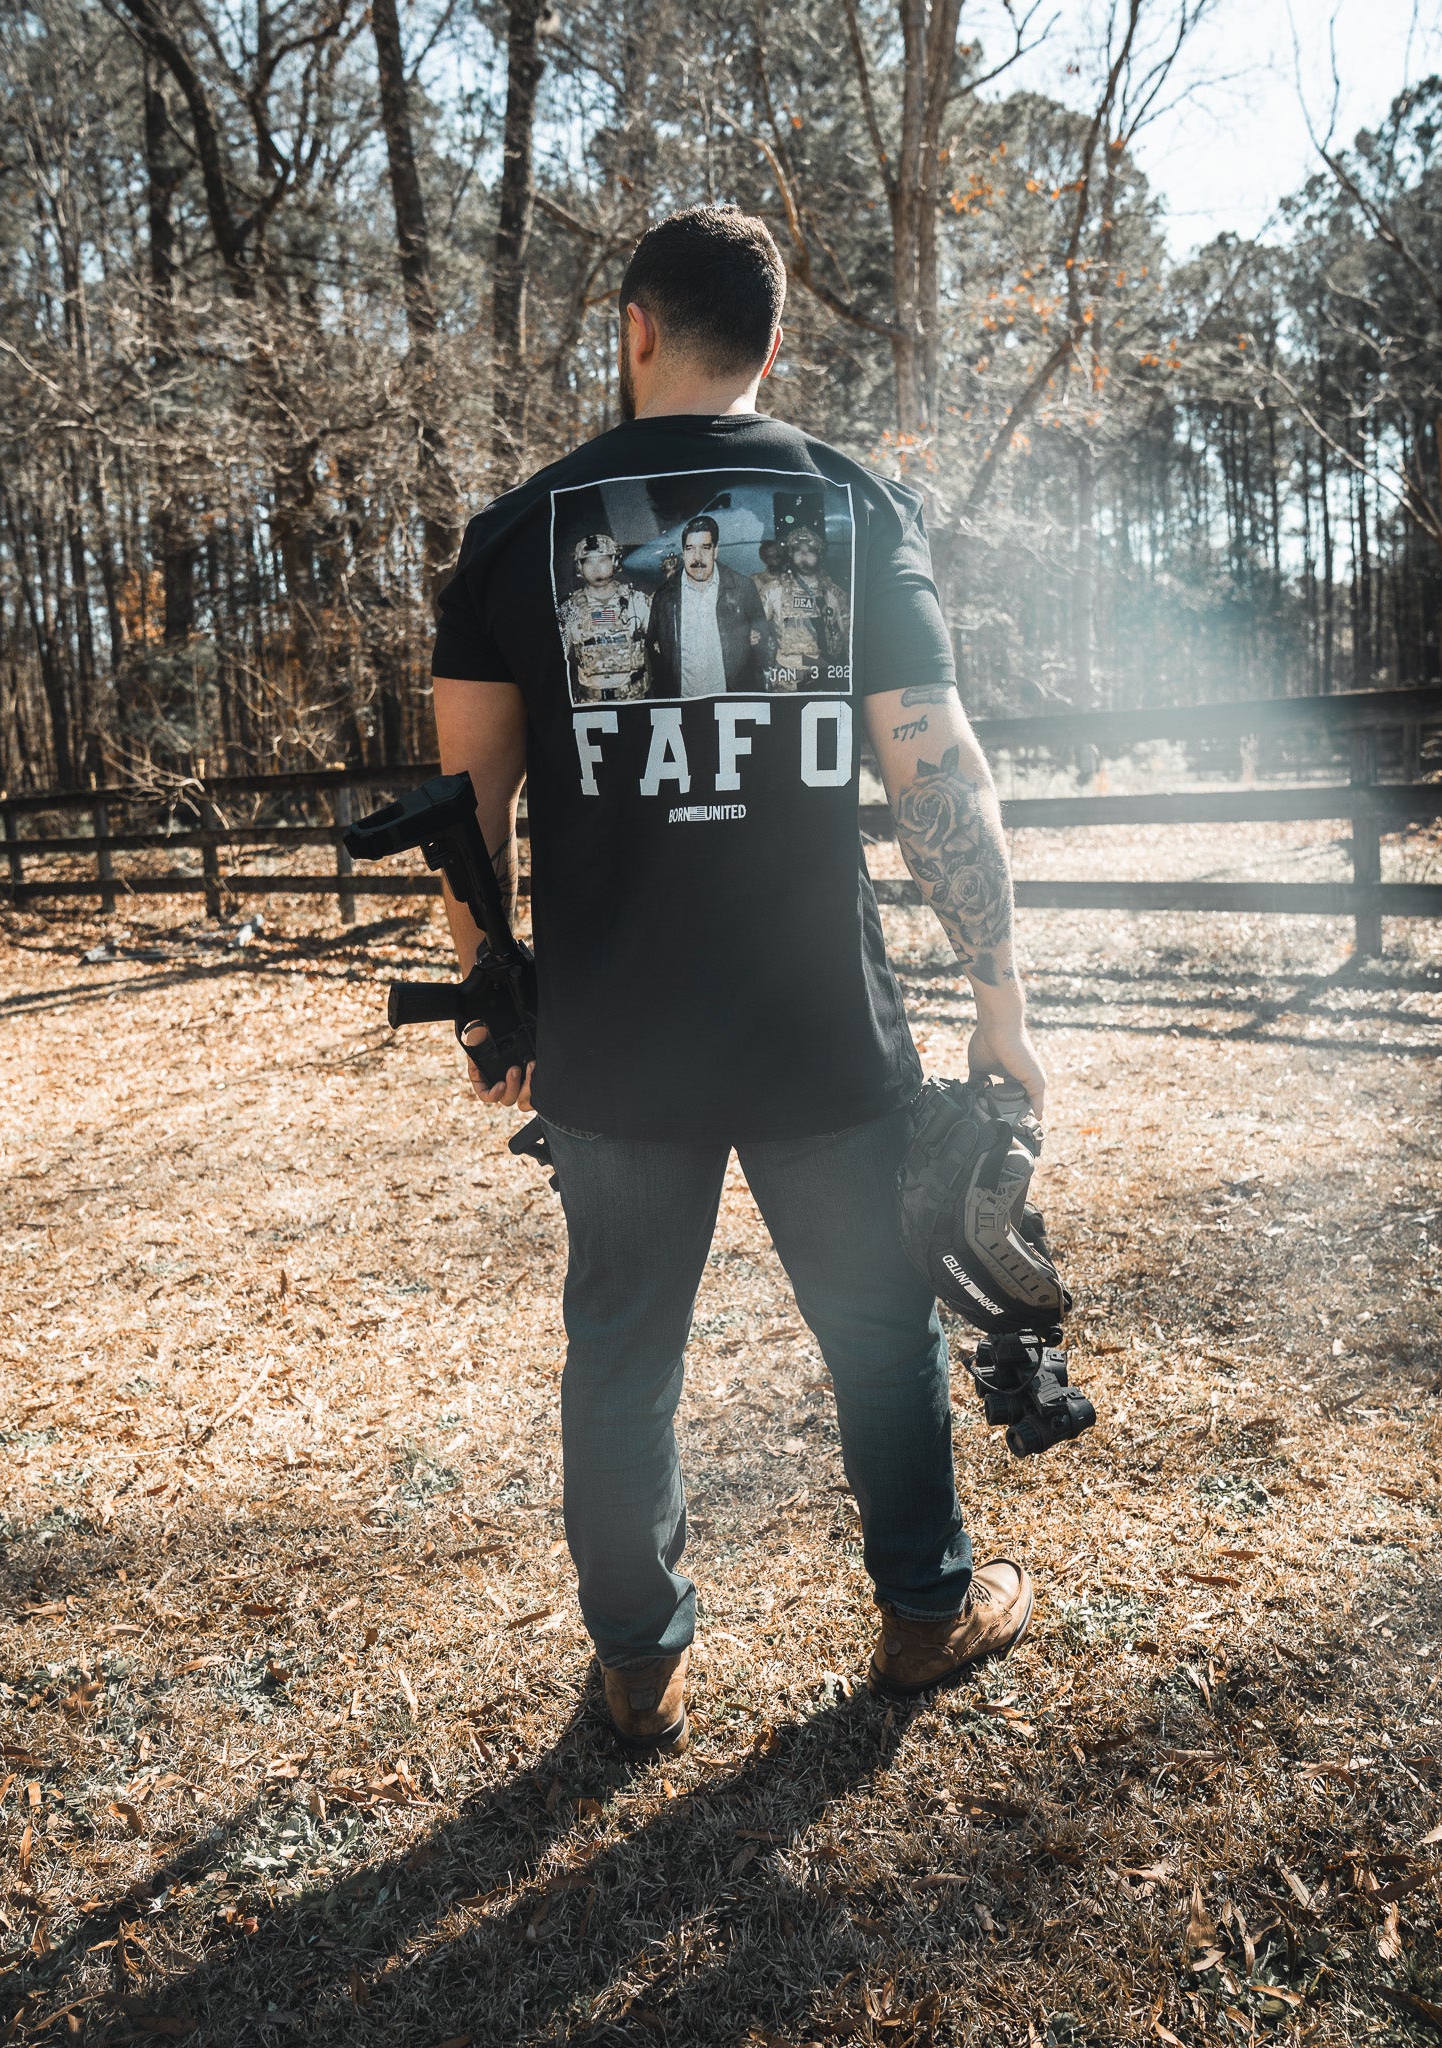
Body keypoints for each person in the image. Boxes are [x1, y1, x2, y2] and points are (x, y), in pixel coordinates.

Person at [431, 205, 1046, 1754]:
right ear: (772, 349)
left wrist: (497, 1002)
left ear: (631, 331)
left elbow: (463, 814)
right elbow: (938, 775)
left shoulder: (511, 537)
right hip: (814, 1024)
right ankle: (924, 1614)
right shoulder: (852, 507)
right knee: (875, 1325)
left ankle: (639, 1665)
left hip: (613, 1040)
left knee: (622, 1349)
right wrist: (1000, 998)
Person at [644, 513, 773, 696]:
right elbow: (653, 652)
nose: (697, 557)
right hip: (683, 703)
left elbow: (762, 642)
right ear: (683, 552)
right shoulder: (665, 597)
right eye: (690, 549)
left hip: (729, 702)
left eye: (705, 548)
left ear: (716, 550)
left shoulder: (742, 588)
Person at [557, 533, 650, 701]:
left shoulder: (638, 601)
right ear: (579, 566)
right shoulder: (569, 609)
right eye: (589, 562)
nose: (596, 567)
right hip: (592, 705)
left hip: (634, 700)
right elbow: (557, 659)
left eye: (603, 560)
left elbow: (659, 647)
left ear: (614, 562)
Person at [757, 523, 850, 691]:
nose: (804, 555)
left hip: (823, 676)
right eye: (798, 550)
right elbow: (756, 632)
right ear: (790, 554)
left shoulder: (834, 594)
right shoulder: (774, 590)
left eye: (810, 550)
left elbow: (849, 637)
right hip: (785, 679)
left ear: (820, 555)